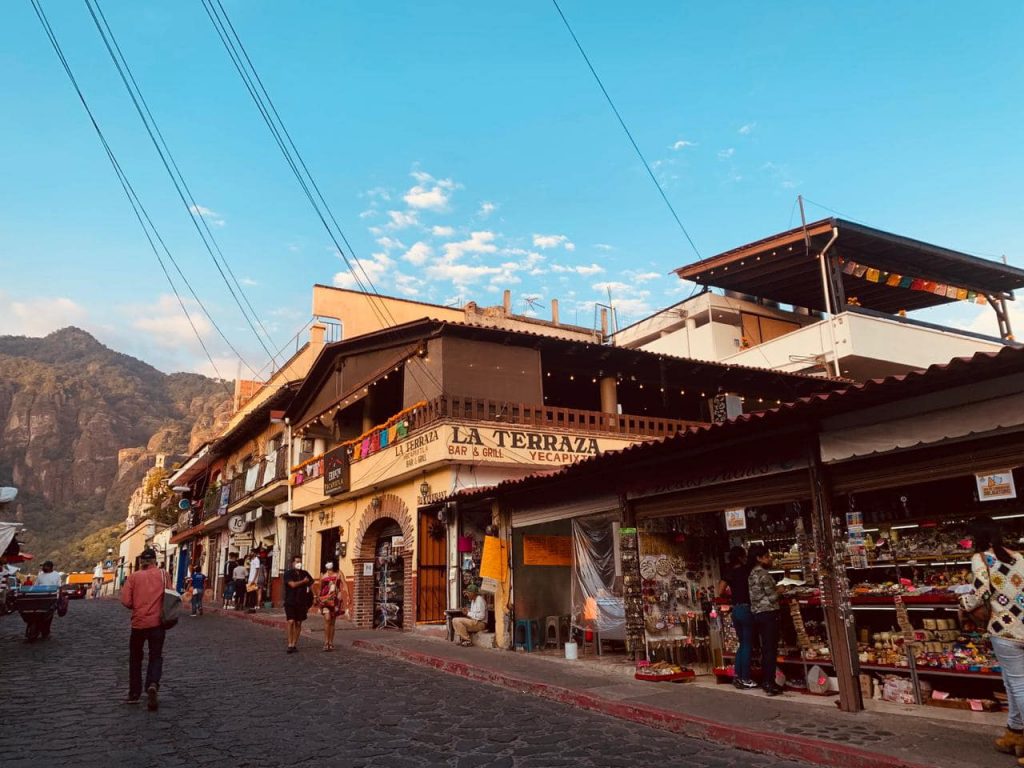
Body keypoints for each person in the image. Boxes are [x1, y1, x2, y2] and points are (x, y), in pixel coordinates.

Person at [961, 515, 1024, 761]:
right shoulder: (1019, 557)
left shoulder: (981, 559)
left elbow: (980, 591)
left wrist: (963, 603)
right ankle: (1015, 733)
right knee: (1010, 683)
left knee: (1018, 685)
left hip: (1005, 630)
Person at [119, 547, 171, 710]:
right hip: (158, 623)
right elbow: (171, 595)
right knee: (155, 655)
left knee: (135, 658)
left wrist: (139, 606)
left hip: (138, 623)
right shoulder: (164, 575)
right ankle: (153, 684)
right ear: (155, 560)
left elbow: (126, 601)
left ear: (141, 562)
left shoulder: (133, 577)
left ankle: (134, 693)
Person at [718, 546, 757, 690]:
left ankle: (738, 675)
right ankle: (745, 677)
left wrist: (732, 595)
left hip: (736, 610)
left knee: (742, 644)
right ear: (741, 557)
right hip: (747, 609)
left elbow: (720, 591)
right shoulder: (747, 570)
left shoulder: (729, 572)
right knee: (747, 644)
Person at [747, 543, 783, 696]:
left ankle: (767, 681)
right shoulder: (763, 574)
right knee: (770, 649)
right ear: (759, 558)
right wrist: (781, 590)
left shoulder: (752, 574)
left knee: (765, 648)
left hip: (757, 614)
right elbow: (771, 596)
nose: (770, 559)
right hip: (768, 613)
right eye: (767, 556)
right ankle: (769, 682)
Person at [314, 561, 349, 651]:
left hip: (335, 599)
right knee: (327, 619)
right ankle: (326, 642)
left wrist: (348, 595)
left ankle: (331, 642)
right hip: (325, 600)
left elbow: (344, 584)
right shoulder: (323, 574)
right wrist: (317, 598)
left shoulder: (339, 573)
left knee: (332, 622)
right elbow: (320, 588)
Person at [283, 556, 313, 653]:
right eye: (297, 562)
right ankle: (289, 643)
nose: (298, 563)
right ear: (292, 563)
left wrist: (314, 595)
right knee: (291, 621)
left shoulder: (305, 573)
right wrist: (303, 582)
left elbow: (311, 583)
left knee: (298, 623)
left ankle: (294, 644)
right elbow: (292, 585)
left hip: (301, 602)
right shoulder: (288, 574)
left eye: (300, 561)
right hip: (290, 601)